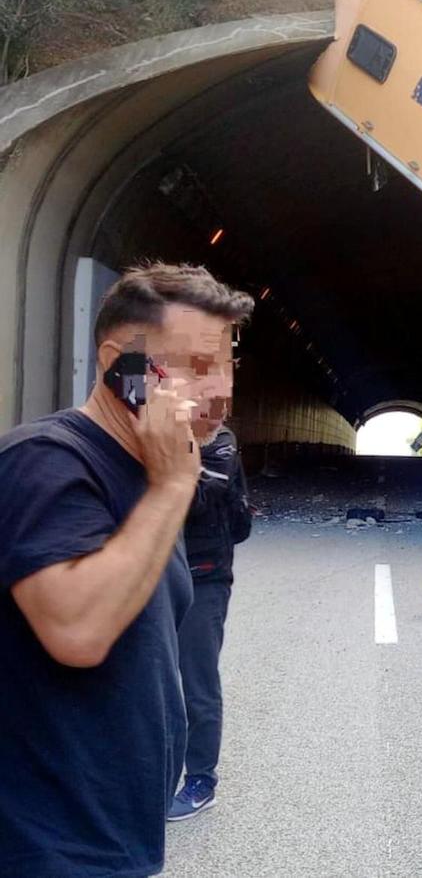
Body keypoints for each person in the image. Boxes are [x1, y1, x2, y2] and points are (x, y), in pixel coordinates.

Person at [0, 263, 253, 878]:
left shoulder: (140, 473)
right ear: (124, 367)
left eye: (227, 366)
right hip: (48, 845)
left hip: (115, 834)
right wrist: (172, 486)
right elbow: (78, 632)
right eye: (195, 366)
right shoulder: (47, 461)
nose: (221, 391)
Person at [169, 425, 254, 822]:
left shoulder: (218, 441)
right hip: (154, 574)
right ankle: (150, 779)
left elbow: (200, 496)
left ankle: (201, 780)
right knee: (147, 682)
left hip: (204, 575)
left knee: (197, 684)